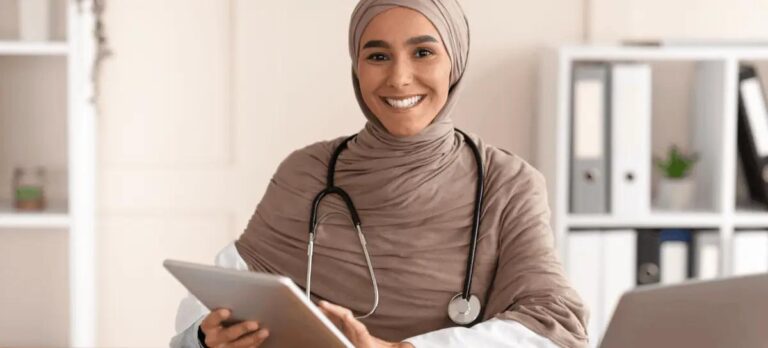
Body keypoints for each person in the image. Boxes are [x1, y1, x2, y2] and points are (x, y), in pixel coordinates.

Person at [170, 0, 589, 347]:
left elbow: (555, 327)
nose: (399, 78)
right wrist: (208, 338)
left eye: (423, 52)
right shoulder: (307, 173)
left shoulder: (508, 183)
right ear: (357, 66)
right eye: (377, 56)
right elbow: (215, 300)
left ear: (455, 62)